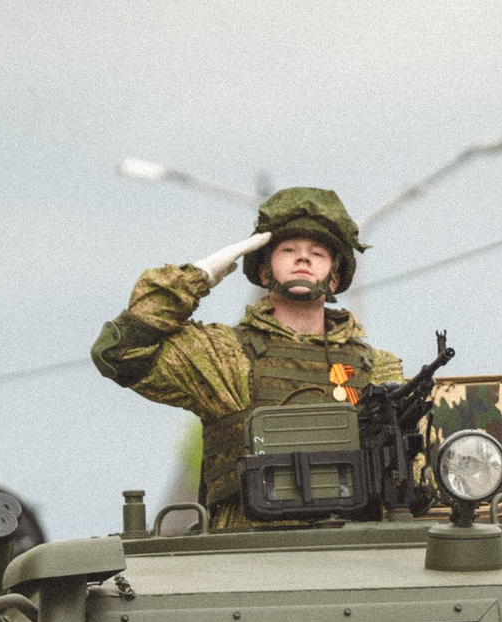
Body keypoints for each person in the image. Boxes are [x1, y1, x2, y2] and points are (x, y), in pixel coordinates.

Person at [92, 186, 404, 530]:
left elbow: (412, 471)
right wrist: (203, 273)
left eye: (318, 252)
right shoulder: (225, 356)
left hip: (354, 549)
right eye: (288, 250)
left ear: (336, 278)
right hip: (248, 552)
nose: (303, 258)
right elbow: (118, 350)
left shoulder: (377, 368)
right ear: (264, 272)